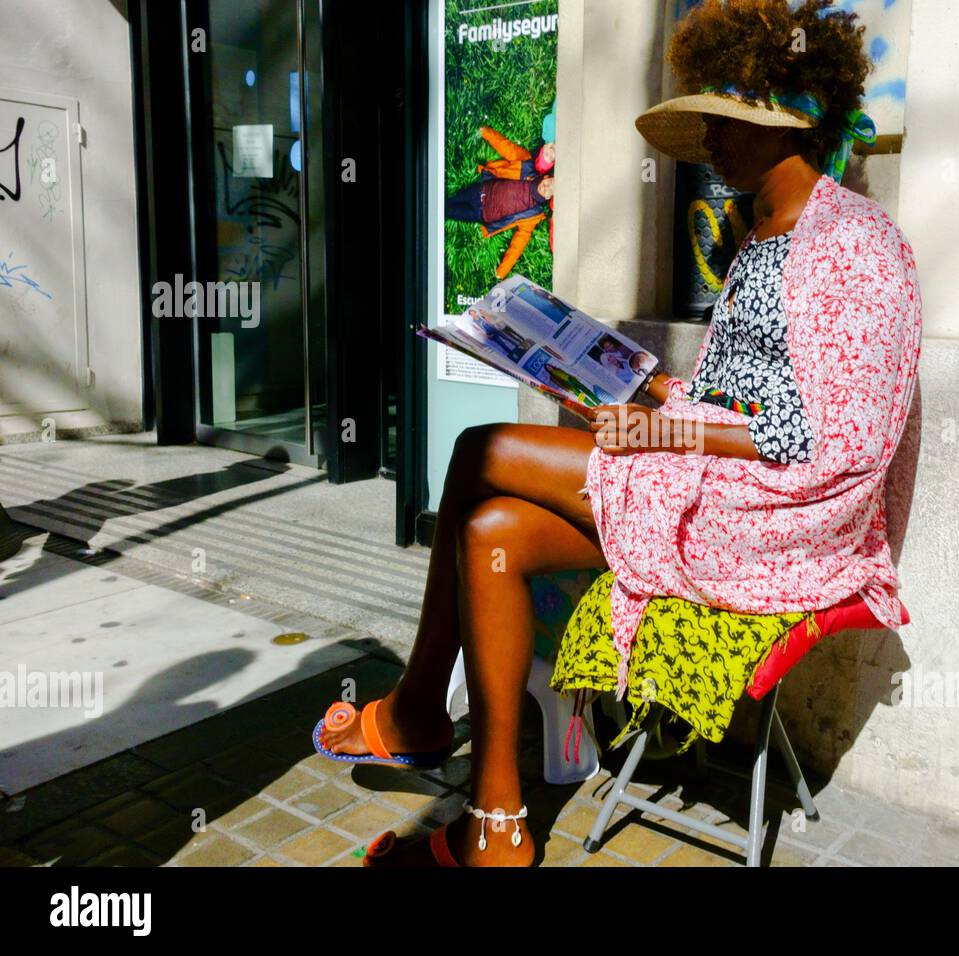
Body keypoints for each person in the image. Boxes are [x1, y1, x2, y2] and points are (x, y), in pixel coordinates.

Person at [315, 0, 921, 867]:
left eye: (723, 122)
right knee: (490, 536)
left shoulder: (853, 243)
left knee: (476, 452)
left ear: (788, 125)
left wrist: (658, 433)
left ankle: (415, 711)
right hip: (722, 486)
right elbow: (744, 398)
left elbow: (827, 443)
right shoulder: (762, 239)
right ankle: (497, 827)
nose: (707, 143)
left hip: (776, 518)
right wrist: (652, 390)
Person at [444, 127, 554, 280]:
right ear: (547, 177)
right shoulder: (526, 164)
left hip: (481, 215)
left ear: (549, 198)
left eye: (550, 191)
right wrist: (487, 133)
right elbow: (506, 147)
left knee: (448, 212)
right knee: (447, 202)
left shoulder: (534, 214)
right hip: (480, 191)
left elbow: (518, 244)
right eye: (550, 183)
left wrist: (502, 271)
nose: (546, 188)